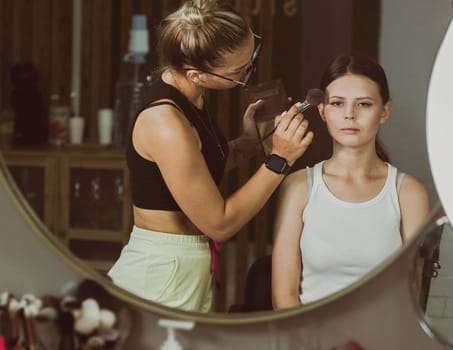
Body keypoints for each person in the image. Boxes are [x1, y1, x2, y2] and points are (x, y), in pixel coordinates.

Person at [108, 0, 313, 312]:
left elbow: (196, 168)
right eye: (238, 72)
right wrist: (280, 160)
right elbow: (219, 223)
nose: (247, 74)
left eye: (250, 59)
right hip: (164, 271)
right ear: (197, 74)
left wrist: (248, 142)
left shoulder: (189, 96)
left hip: (185, 262)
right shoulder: (166, 123)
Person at [271, 54, 429, 309]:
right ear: (322, 111)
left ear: (385, 111)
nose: (350, 115)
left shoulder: (409, 193)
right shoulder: (299, 187)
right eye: (337, 103)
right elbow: (284, 297)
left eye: (364, 104)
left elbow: (411, 295)